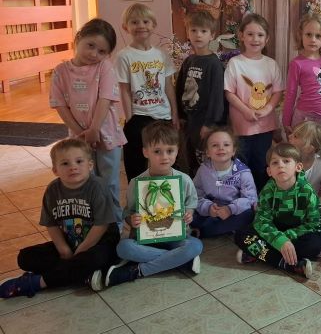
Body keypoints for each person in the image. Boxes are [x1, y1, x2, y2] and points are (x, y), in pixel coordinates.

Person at [0, 139, 119, 298]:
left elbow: (101, 225)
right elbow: (51, 224)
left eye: (79, 161)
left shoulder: (97, 187)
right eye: (65, 163)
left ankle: (38, 282)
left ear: (90, 165)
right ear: (55, 170)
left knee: (92, 259)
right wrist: (63, 249)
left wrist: (81, 250)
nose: (73, 167)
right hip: (70, 242)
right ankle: (83, 275)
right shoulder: (53, 190)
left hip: (99, 243)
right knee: (25, 258)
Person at [104, 121, 202, 287]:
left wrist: (189, 214)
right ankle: (180, 260)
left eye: (170, 151)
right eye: (157, 151)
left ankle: (137, 271)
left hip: (176, 236)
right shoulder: (136, 183)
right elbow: (128, 212)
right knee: (123, 248)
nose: (164, 157)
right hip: (146, 238)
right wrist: (131, 219)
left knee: (195, 246)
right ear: (145, 152)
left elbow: (191, 203)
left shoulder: (184, 180)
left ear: (177, 150)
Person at [49, 18, 126, 225]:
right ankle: (90, 226)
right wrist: (79, 133)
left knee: (109, 183)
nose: (94, 54)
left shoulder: (105, 67)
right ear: (78, 38)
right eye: (90, 45)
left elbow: (105, 99)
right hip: (78, 140)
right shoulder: (60, 71)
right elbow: (59, 104)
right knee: (84, 182)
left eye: (101, 51)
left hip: (107, 135)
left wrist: (94, 129)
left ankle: (114, 226)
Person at [234, 143, 321, 278]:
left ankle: (260, 253)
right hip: (273, 229)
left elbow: (315, 223)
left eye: (286, 161)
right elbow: (261, 221)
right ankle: (288, 264)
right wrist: (279, 240)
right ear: (269, 171)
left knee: (314, 245)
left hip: (297, 232)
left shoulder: (307, 191)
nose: (280, 165)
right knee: (241, 235)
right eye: (275, 162)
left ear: (298, 167)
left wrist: (286, 237)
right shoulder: (267, 191)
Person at [115, 3, 179, 181]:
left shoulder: (161, 55)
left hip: (163, 115)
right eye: (134, 22)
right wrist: (130, 118)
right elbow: (124, 90)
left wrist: (174, 113)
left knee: (166, 161)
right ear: (126, 27)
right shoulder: (124, 56)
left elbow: (168, 86)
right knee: (135, 163)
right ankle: (136, 195)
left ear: (153, 25)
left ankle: (167, 193)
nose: (141, 26)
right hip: (139, 116)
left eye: (145, 21)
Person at [224, 13, 283, 191]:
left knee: (261, 165)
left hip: (265, 126)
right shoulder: (235, 63)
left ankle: (261, 199)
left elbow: (277, 92)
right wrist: (245, 111)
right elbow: (229, 92)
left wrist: (267, 109)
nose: (255, 39)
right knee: (241, 165)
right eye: (250, 34)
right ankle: (243, 199)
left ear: (267, 39)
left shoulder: (271, 64)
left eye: (260, 35)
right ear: (242, 36)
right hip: (242, 127)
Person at [175, 10, 226, 175]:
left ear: (212, 35)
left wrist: (210, 123)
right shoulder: (189, 61)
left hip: (205, 121)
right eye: (194, 30)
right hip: (190, 120)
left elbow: (217, 97)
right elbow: (179, 88)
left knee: (205, 159)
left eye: (203, 31)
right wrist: (180, 115)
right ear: (188, 33)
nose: (198, 35)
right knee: (189, 158)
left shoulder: (214, 64)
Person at [191, 127, 257, 238]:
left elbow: (251, 198)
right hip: (210, 212)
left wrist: (230, 209)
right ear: (207, 152)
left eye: (226, 145)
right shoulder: (203, 170)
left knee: (248, 215)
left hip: (233, 212)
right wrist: (208, 208)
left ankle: (205, 231)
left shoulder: (243, 172)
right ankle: (217, 229)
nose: (221, 148)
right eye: (215, 145)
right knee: (189, 212)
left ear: (233, 151)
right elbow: (195, 194)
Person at [282, 13, 321, 132]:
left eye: (318, 36)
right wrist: (286, 121)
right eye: (308, 34)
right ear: (301, 35)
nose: (313, 39)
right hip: (305, 117)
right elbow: (291, 94)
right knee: (301, 145)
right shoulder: (297, 63)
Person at [288, 120, 321, 206]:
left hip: (309, 210)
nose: (289, 136)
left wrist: (315, 200)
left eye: (295, 136)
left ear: (309, 148)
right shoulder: (285, 161)